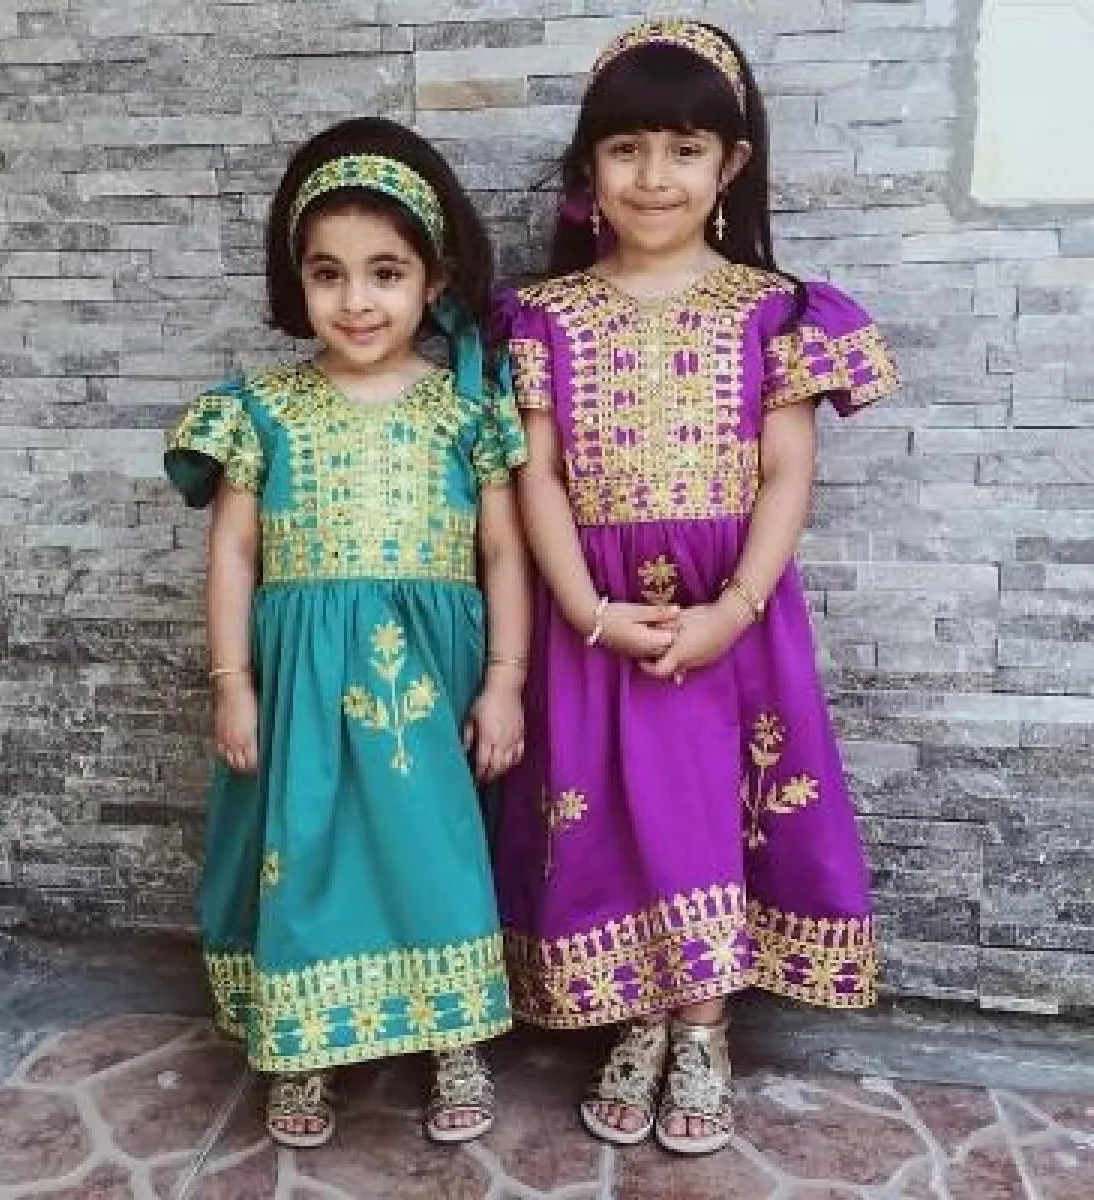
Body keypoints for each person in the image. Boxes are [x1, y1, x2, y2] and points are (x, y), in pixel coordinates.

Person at [492, 19, 899, 1155]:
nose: (653, 176)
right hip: (594, 613)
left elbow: (786, 473)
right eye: (626, 148)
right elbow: (536, 476)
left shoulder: (778, 311)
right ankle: (633, 1015)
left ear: (731, 163)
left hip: (733, 614)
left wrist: (735, 609)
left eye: (683, 148)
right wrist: (586, 611)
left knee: (713, 809)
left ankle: (704, 1029)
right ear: (589, 169)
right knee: (609, 812)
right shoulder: (540, 317)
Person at [163, 116, 531, 1148]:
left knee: (432, 847)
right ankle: (302, 1041)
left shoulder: (469, 410)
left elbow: (505, 554)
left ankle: (454, 1033)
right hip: (302, 682)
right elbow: (235, 552)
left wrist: (506, 680)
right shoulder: (261, 411)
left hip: (425, 680)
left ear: (434, 278)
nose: (356, 301)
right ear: (300, 281)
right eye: (329, 275)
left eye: (386, 273)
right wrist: (232, 681)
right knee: (306, 846)